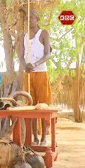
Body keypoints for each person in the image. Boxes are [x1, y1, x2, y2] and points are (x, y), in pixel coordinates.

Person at [19, 10, 52, 146]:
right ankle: (35, 137)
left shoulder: (43, 33)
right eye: (27, 18)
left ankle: (44, 137)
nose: (29, 19)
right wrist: (24, 65)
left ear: (37, 18)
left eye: (31, 17)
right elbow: (21, 55)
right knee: (31, 105)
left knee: (42, 106)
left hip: (41, 73)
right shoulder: (24, 36)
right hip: (28, 75)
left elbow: (47, 53)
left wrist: (35, 64)